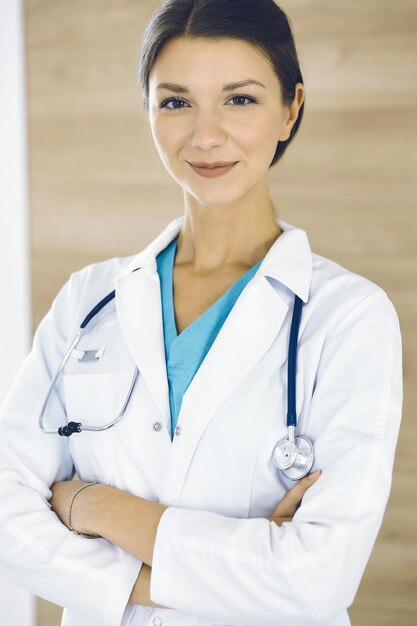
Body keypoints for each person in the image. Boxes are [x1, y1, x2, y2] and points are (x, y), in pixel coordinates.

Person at [0, 1, 402, 625]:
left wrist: (96, 508)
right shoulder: (89, 300)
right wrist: (231, 573)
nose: (206, 135)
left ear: (291, 107)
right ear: (148, 111)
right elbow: (5, 519)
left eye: (239, 99)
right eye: (175, 101)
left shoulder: (348, 316)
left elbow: (318, 577)